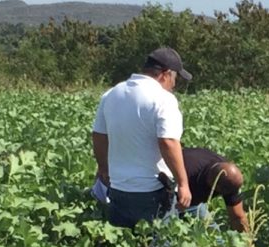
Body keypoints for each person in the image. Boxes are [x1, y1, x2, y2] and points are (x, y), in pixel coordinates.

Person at [92, 47, 193, 229]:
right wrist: (183, 183)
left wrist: (104, 168)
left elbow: (98, 135)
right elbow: (168, 142)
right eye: (174, 79)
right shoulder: (163, 99)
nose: (174, 85)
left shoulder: (112, 94)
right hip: (151, 191)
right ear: (164, 75)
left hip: (118, 188)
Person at [92, 147, 249, 232]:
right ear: (211, 183)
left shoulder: (228, 178)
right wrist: (173, 202)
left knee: (214, 237)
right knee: (160, 236)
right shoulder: (189, 169)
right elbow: (159, 179)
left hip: (193, 201)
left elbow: (237, 216)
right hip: (161, 191)